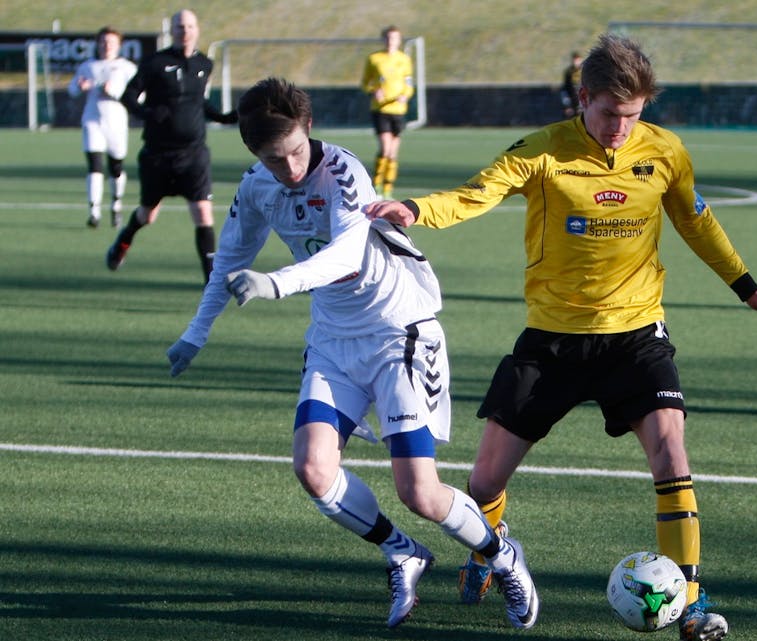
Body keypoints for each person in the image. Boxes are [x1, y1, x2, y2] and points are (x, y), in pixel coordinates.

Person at [365, 33, 757, 641]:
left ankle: (692, 601)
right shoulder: (543, 151)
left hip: (636, 336)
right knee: (485, 481)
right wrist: (415, 208)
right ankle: (490, 549)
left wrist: (748, 288)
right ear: (583, 97)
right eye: (610, 114)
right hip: (553, 340)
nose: (621, 128)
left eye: (633, 116)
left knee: (673, 456)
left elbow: (697, 222)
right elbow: (475, 193)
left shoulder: (665, 151)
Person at [165, 77, 539, 630]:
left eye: (294, 152)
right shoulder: (255, 187)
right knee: (314, 469)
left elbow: (345, 254)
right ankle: (402, 551)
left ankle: (503, 556)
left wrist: (277, 282)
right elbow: (227, 262)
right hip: (333, 342)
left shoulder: (343, 172)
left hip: (399, 334)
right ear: (252, 152)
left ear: (309, 129)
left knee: (420, 491)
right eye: (273, 159)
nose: (289, 169)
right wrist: (196, 333)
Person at [107, 9, 238, 283]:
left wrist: (223, 117)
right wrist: (147, 114)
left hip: (193, 154)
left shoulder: (204, 64)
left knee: (203, 214)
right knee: (147, 214)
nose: (185, 31)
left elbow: (197, 102)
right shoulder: (155, 63)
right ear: (172, 31)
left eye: (190, 26)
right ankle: (124, 239)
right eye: (180, 26)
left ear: (197, 30)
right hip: (158, 154)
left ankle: (210, 283)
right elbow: (128, 96)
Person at [67, 26, 138, 229]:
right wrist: (79, 87)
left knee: (116, 167)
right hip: (92, 121)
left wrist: (113, 91)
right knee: (94, 165)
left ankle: (116, 204)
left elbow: (138, 95)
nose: (106, 46)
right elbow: (72, 89)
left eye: (111, 42)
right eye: (103, 42)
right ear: (97, 44)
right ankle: (94, 211)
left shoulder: (126, 68)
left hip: (116, 122)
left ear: (119, 45)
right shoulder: (88, 66)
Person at [360, 25, 414, 199]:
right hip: (380, 109)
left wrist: (405, 95)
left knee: (393, 153)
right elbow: (365, 83)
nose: (391, 41)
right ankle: (376, 185)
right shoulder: (374, 59)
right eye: (388, 38)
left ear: (399, 40)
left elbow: (409, 83)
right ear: (383, 40)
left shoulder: (404, 59)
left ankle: (388, 189)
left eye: (395, 38)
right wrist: (374, 91)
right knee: (385, 148)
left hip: (398, 110)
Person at [559, 50, 583, 118]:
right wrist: (567, 106)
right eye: (575, 60)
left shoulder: (584, 71)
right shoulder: (568, 72)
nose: (576, 62)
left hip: (582, 101)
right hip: (572, 102)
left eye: (578, 60)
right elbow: (565, 90)